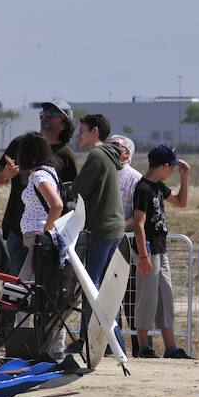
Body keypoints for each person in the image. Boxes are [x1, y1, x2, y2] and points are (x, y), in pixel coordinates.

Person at [0, 100, 78, 275]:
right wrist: (5, 175)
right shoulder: (21, 143)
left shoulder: (66, 155)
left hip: (43, 235)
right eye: (44, 111)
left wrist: (47, 233)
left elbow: (68, 197)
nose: (46, 115)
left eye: (54, 113)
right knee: (16, 286)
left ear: (65, 122)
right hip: (16, 229)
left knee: (37, 286)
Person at [70, 114, 125, 348]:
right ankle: (114, 342)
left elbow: (78, 189)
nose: (78, 135)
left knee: (91, 286)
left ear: (94, 132)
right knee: (108, 289)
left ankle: (87, 341)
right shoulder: (110, 156)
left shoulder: (97, 156)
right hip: (115, 226)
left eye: (82, 130)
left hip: (102, 228)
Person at [132, 145, 191, 359]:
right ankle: (143, 347)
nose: (173, 171)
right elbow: (139, 224)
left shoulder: (159, 186)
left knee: (166, 297)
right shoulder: (143, 188)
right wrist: (144, 257)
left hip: (161, 249)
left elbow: (181, 202)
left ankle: (171, 348)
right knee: (146, 298)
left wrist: (185, 178)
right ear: (164, 166)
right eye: (172, 168)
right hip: (147, 251)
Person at [109, 134, 144, 356]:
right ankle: (112, 347)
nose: (110, 150)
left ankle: (140, 348)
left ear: (127, 153)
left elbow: (141, 215)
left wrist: (120, 226)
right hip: (105, 246)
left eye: (116, 147)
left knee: (131, 301)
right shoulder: (104, 174)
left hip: (127, 245)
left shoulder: (135, 178)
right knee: (109, 300)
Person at [15, 132, 64, 282]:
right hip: (37, 236)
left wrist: (45, 234)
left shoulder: (39, 176)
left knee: (25, 284)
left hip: (38, 237)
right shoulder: (50, 172)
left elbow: (57, 205)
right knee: (35, 282)